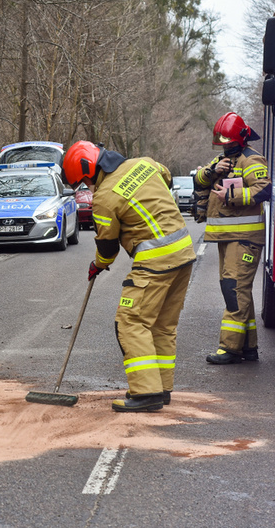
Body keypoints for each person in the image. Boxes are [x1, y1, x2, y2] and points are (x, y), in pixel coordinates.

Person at [62, 141, 196, 412]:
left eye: (85, 182)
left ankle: (146, 393)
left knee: (130, 321)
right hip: (183, 254)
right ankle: (161, 388)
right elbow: (166, 176)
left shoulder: (105, 197)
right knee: (161, 325)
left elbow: (107, 245)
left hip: (155, 262)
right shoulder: (144, 163)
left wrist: (98, 264)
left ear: (90, 171)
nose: (87, 188)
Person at [193, 112, 272, 365]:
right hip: (227, 238)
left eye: (228, 139)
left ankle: (230, 349)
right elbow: (199, 179)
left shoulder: (252, 159)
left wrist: (231, 196)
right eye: (221, 141)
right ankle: (248, 348)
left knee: (234, 291)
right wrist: (212, 170)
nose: (225, 144)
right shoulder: (223, 160)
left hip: (245, 238)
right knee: (239, 291)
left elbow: (264, 190)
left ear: (240, 138)